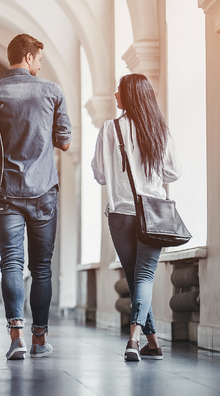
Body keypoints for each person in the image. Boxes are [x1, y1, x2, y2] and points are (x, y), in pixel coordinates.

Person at [0, 34, 72, 360]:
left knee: (10, 263)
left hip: (4, 191)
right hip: (44, 192)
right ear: (28, 57)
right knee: (41, 268)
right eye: (39, 59)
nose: (41, 65)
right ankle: (40, 339)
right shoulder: (52, 91)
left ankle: (17, 338)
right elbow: (65, 141)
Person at [92, 73, 180, 361]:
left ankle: (138, 339)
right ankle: (146, 341)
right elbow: (173, 173)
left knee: (135, 279)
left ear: (129, 95)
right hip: (153, 214)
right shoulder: (159, 130)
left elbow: (100, 175)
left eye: (119, 90)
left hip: (120, 214)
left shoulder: (109, 129)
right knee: (141, 278)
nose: (115, 95)